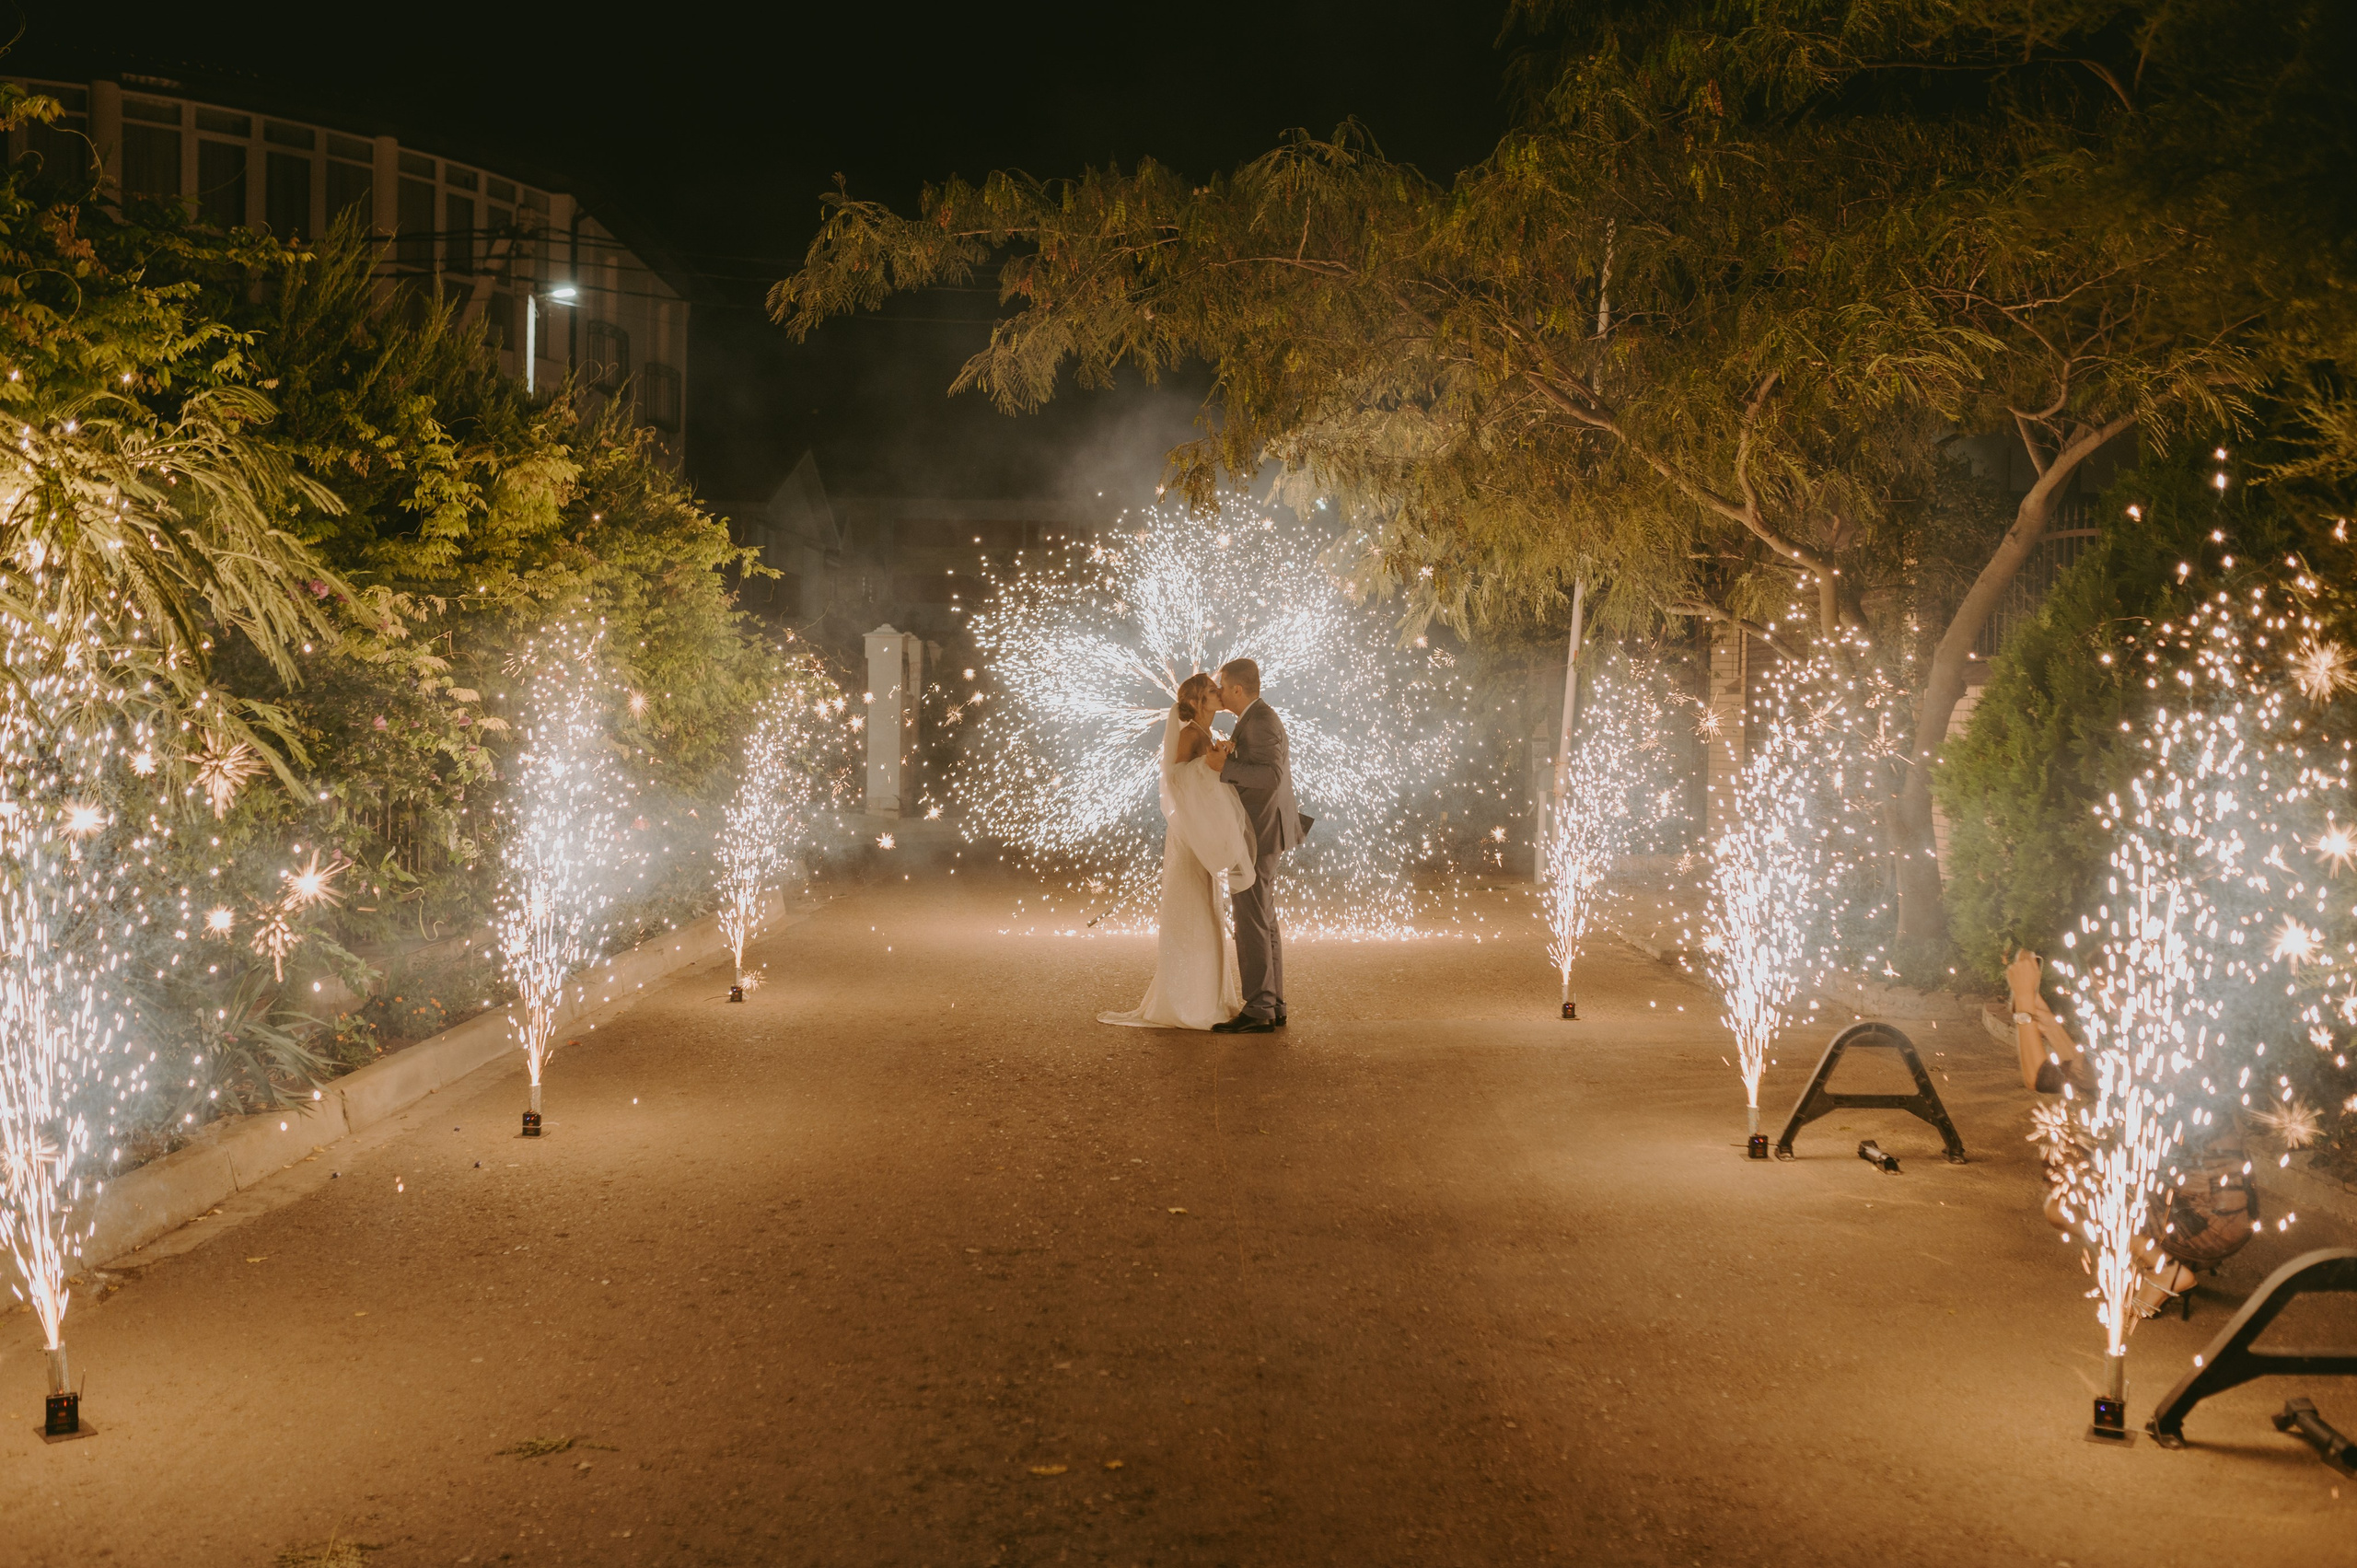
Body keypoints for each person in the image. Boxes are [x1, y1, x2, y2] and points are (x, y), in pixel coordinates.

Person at [1097, 673, 1259, 1030]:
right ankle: (1188, 1002)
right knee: (1192, 908)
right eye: (1212, 692)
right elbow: (1174, 781)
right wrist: (1209, 764)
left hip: (1200, 832)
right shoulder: (1189, 735)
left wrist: (1218, 759)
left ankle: (1205, 996)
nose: (1219, 695)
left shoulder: (1206, 735)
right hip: (1189, 835)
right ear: (1200, 702)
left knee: (1206, 908)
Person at [1202, 658, 1309, 1033]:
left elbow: (1270, 774)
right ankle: (1273, 1002)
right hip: (1264, 828)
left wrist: (1224, 769)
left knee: (1250, 917)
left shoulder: (1260, 721)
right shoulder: (1257, 717)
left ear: (1237, 690)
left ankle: (1260, 1007)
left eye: (1221, 686)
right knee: (1262, 916)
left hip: (1259, 831)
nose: (1217, 692)